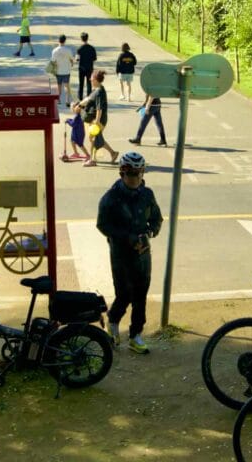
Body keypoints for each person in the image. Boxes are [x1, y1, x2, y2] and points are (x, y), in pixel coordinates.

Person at [96, 151, 163, 354]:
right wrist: (126, 237)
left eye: (139, 173)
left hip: (142, 254)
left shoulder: (147, 194)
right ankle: (114, 321)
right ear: (122, 173)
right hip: (120, 254)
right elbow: (102, 225)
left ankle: (136, 335)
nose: (135, 178)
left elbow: (157, 218)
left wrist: (150, 232)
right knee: (124, 293)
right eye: (131, 174)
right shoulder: (110, 199)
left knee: (141, 294)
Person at [73, 70, 118, 167]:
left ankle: (92, 160)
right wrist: (79, 105)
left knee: (93, 139)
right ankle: (113, 153)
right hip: (94, 119)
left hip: (98, 120)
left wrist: (97, 122)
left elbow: (99, 108)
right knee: (95, 139)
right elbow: (88, 99)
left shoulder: (99, 92)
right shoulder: (96, 89)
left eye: (92, 78)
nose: (90, 79)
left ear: (96, 80)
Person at [51, 34, 75, 106]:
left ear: (58, 40)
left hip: (58, 71)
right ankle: (67, 100)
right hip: (66, 71)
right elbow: (71, 59)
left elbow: (53, 61)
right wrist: (71, 63)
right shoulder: (68, 50)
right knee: (67, 86)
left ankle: (59, 100)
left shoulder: (55, 50)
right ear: (65, 41)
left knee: (59, 86)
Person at [75, 32, 97, 101]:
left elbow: (77, 59)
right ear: (87, 38)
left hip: (81, 68)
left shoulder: (79, 49)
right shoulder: (92, 48)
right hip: (89, 68)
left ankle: (80, 97)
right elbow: (94, 58)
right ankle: (89, 97)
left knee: (81, 83)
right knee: (89, 83)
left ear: (81, 39)